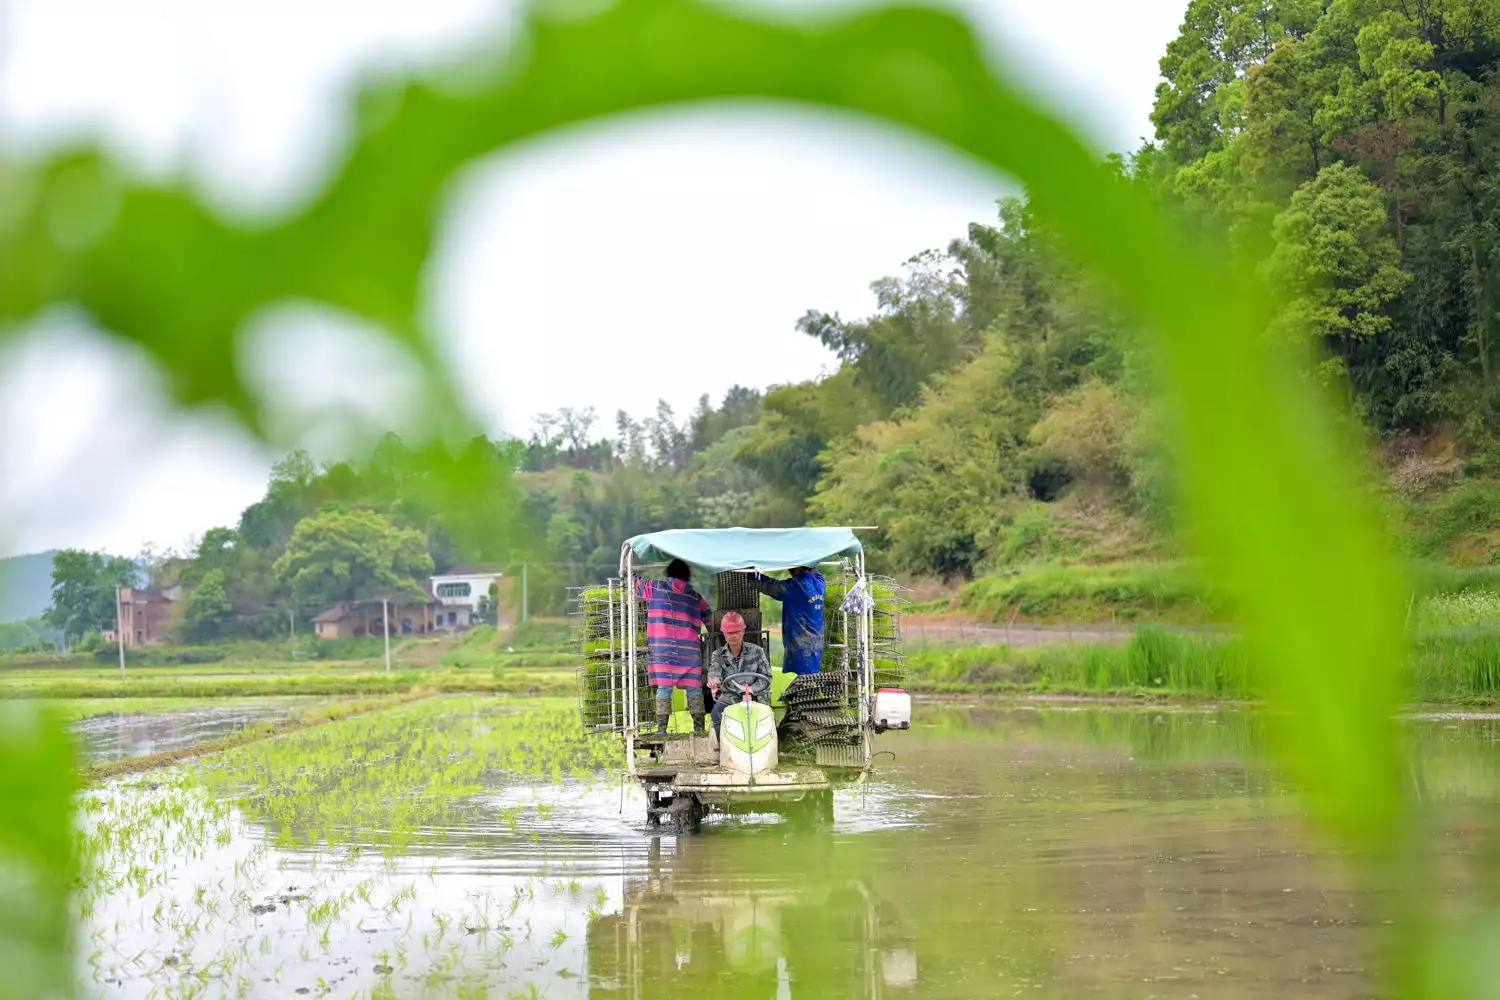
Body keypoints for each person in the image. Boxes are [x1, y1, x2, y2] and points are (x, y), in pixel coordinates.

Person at [636, 558, 711, 735]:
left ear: (668, 573)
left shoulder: (656, 588)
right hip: (689, 652)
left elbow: (635, 583)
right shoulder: (695, 596)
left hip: (664, 651)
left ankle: (662, 729)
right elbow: (710, 620)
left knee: (664, 689)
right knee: (694, 689)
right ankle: (699, 728)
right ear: (688, 575)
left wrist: (628, 573)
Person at [707, 610, 772, 739]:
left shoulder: (757, 651)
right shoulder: (717, 655)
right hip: (731, 695)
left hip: (756, 696)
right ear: (724, 634)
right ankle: (723, 746)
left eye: (737, 632)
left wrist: (752, 689)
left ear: (743, 632)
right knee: (716, 712)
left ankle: (765, 745)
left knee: (765, 717)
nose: (734, 636)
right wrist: (714, 680)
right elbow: (715, 671)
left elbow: (767, 677)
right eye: (730, 633)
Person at [751, 565, 826, 674]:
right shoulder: (820, 583)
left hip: (800, 652)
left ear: (796, 567)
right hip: (815, 649)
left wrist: (749, 573)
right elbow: (813, 567)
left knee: (799, 685)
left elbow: (768, 586)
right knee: (811, 682)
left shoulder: (796, 587)